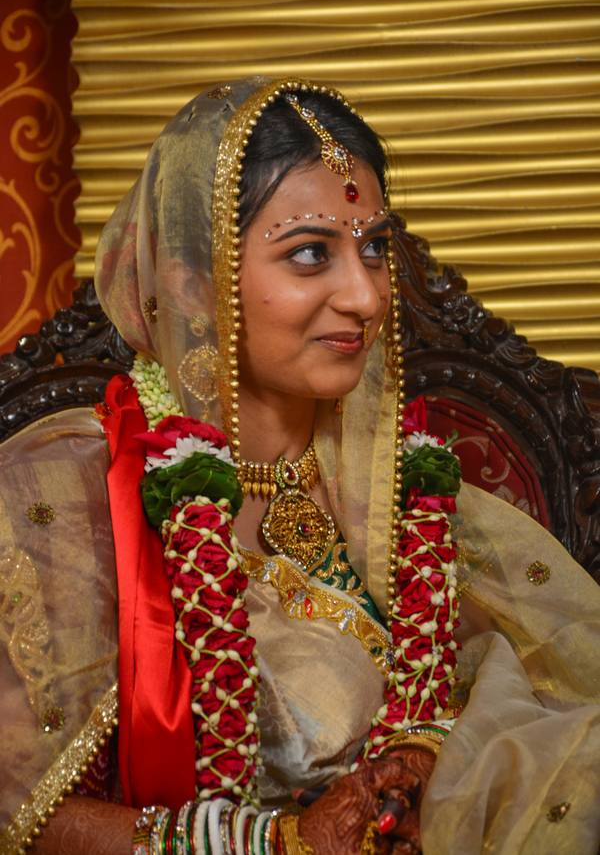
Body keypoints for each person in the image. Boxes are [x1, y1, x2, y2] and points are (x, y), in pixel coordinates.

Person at [1, 76, 599, 855]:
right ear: (192, 282)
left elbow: (515, 682)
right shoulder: (68, 491)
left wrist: (424, 757)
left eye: (374, 247)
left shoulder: (392, 480)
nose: (366, 296)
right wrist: (278, 842)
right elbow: (23, 813)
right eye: (311, 253)